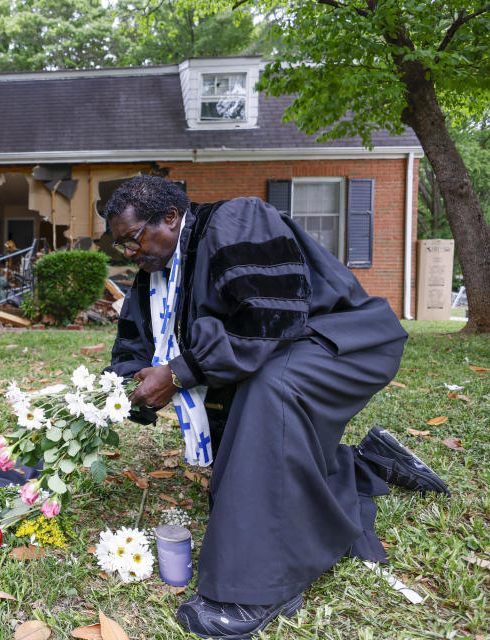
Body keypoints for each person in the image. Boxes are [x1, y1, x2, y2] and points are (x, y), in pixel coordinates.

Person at [102, 176, 449, 639]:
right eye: (121, 244)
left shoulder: (234, 221)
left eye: (132, 237)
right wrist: (122, 395)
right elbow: (135, 352)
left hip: (345, 341)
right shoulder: (153, 281)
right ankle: (366, 462)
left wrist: (181, 373)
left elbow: (271, 320)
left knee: (270, 391)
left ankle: (260, 586)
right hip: (281, 354)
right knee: (239, 479)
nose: (129, 252)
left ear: (170, 217)